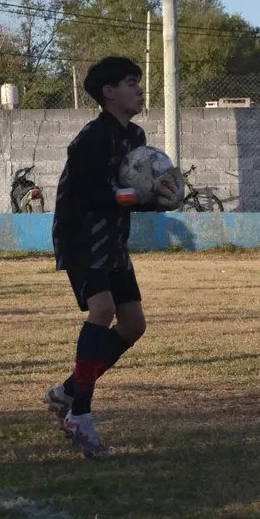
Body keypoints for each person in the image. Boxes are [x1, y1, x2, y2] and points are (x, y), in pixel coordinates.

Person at [45, 56, 182, 459]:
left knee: (134, 324)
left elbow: (127, 195)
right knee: (101, 310)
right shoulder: (90, 138)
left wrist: (159, 199)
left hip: (113, 240)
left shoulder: (136, 137)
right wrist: (136, 196)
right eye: (130, 83)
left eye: (138, 83)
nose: (139, 90)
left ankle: (67, 391)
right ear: (108, 93)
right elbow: (90, 197)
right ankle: (80, 415)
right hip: (81, 236)